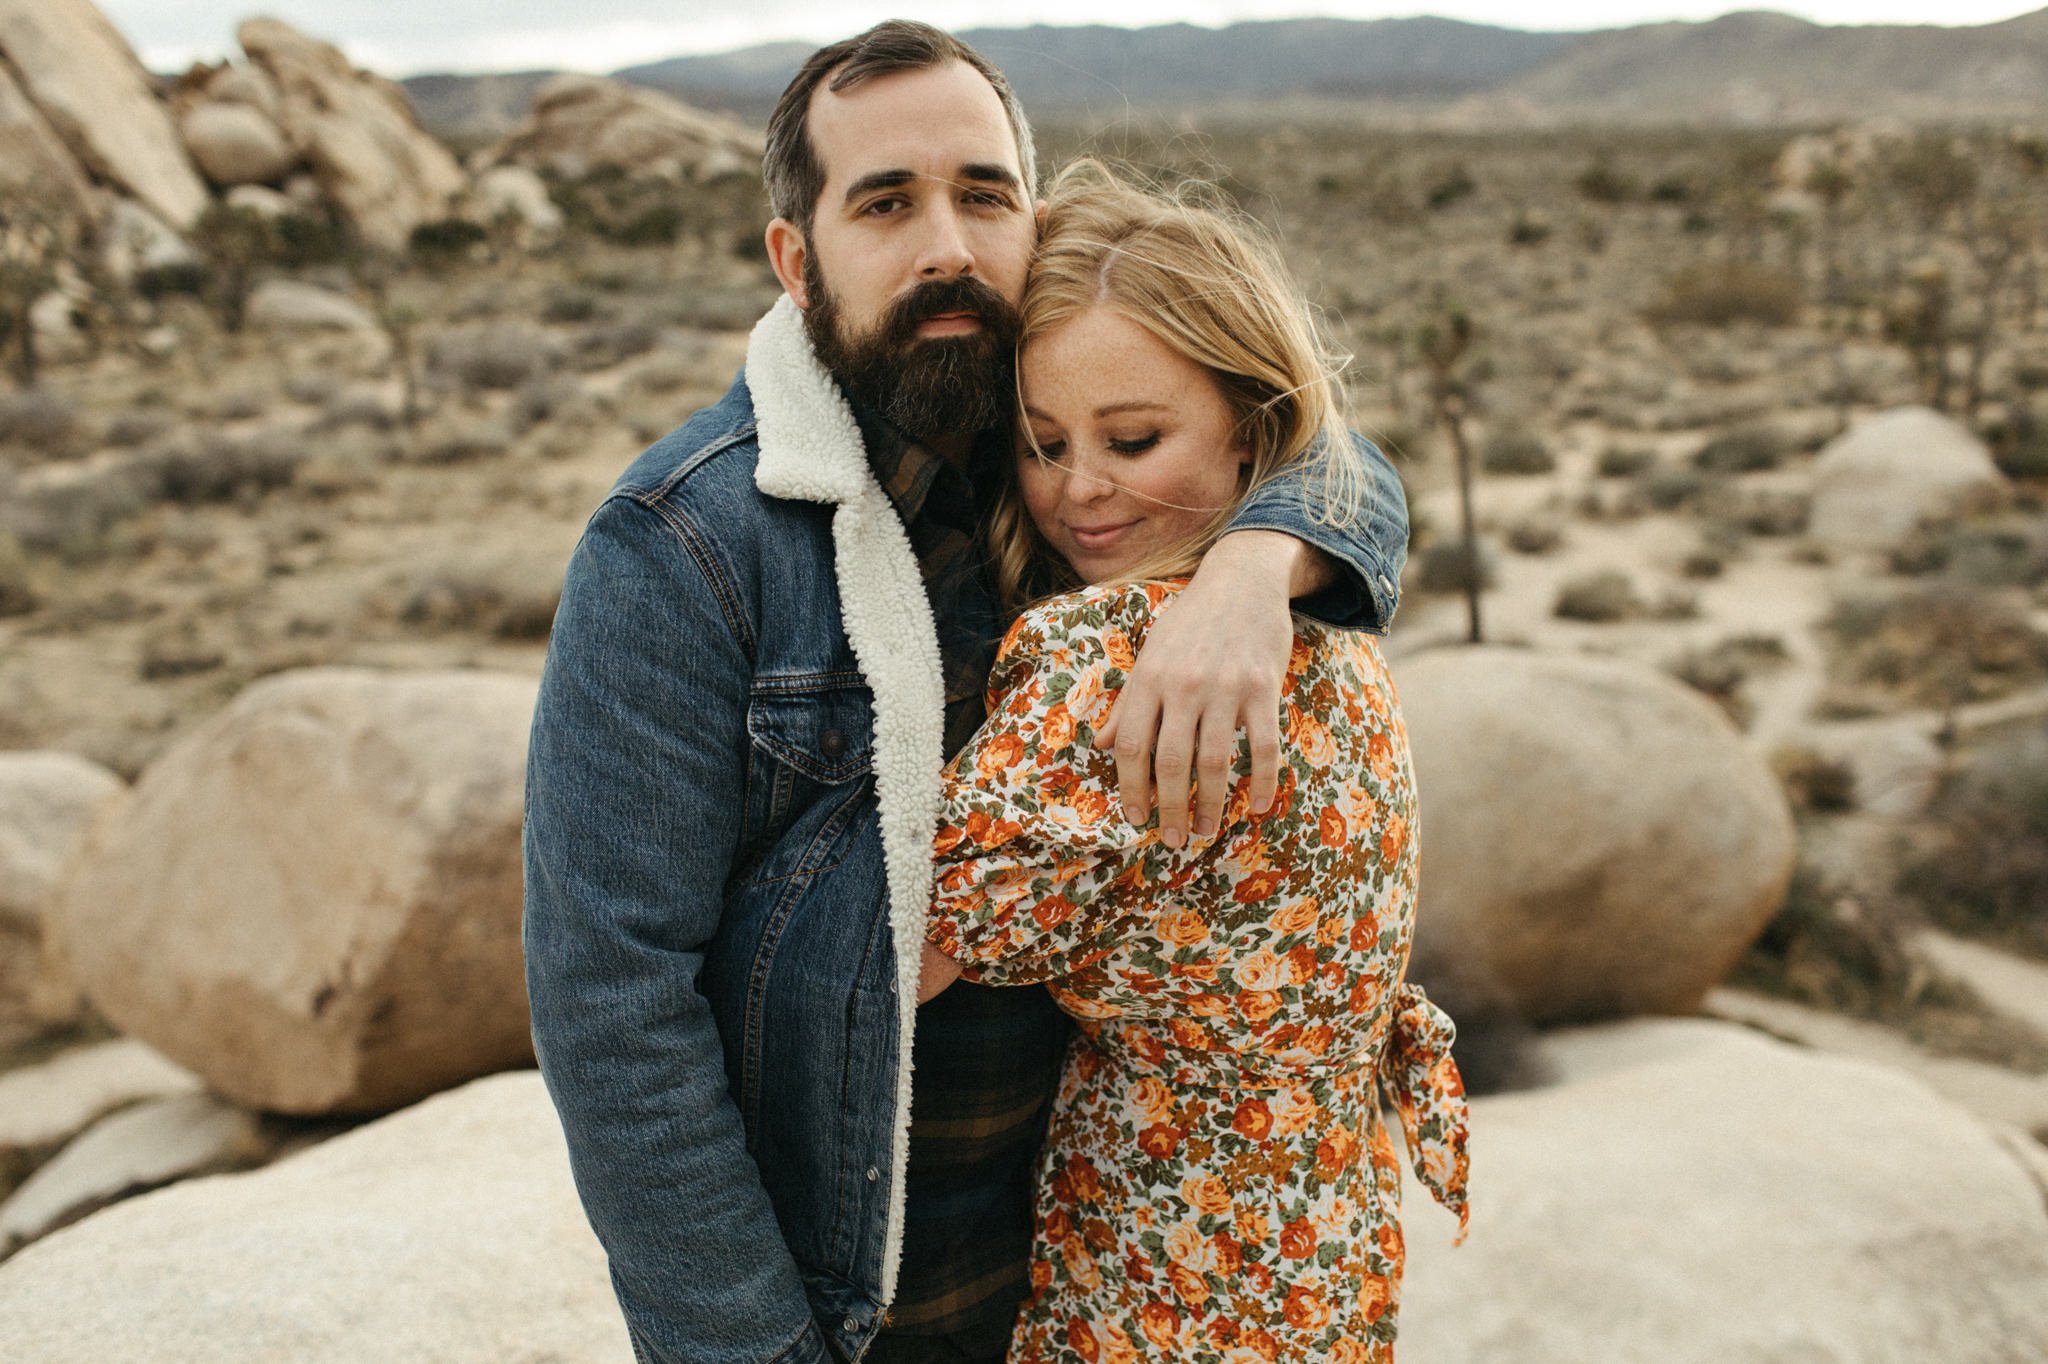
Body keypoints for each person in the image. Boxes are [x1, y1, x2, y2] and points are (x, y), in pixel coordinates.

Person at [521, 22, 1410, 1364]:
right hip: (858, 1291)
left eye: (982, 193)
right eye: (886, 202)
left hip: (1082, 1251)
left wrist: (1256, 563)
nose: (946, 241)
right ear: (795, 256)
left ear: (1028, 218)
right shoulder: (686, 543)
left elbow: (1314, 433)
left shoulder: (1052, 448)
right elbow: (610, 1004)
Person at [920, 164, 1468, 1363]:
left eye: (1133, 437)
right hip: (1319, 1230)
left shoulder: (1102, 657)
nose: (1078, 490)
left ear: (1251, 435)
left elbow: (903, 955)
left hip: (1160, 1248)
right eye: (1042, 442)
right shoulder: (1331, 630)